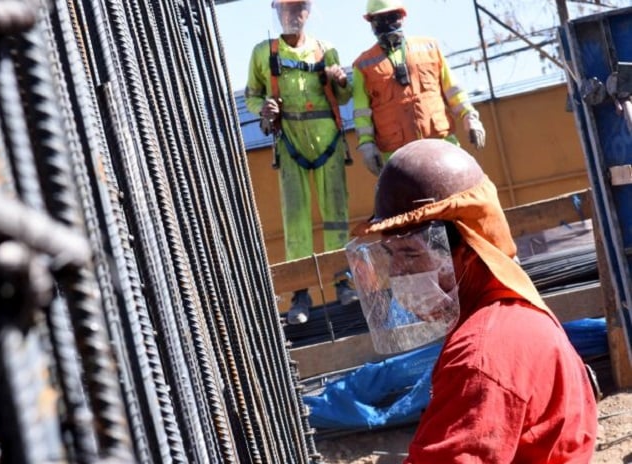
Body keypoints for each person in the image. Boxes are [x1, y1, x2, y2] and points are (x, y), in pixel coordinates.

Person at [348, 139, 598, 462]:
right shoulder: (508, 309)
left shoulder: (480, 356)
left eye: (410, 254)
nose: (396, 274)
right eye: (391, 255)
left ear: (467, 249)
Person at [245, 0, 359, 324]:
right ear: (278, 12)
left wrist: (340, 81)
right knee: (295, 219)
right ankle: (301, 293)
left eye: (299, 9)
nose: (293, 15)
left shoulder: (326, 50)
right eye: (288, 9)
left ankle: (342, 281)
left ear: (308, 12)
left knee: (336, 214)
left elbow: (346, 97)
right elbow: (252, 95)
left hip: (329, 142)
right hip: (291, 143)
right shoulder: (263, 53)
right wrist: (263, 109)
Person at [352, 0, 486, 176]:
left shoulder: (429, 47)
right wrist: (367, 144)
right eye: (380, 19)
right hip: (398, 155)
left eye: (392, 17)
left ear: (402, 16)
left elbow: (452, 89)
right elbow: (362, 112)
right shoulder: (363, 65)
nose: (387, 23)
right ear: (371, 22)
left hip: (441, 144)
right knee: (408, 201)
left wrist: (469, 116)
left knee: (460, 190)